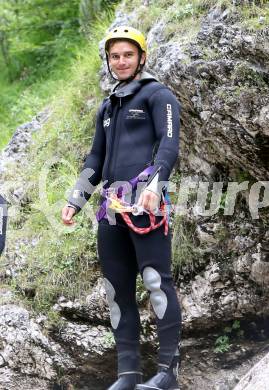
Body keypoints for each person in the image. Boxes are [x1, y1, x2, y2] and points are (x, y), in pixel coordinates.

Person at [62, 26, 182, 390]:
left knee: (155, 282)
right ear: (109, 61)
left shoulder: (158, 95)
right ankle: (128, 375)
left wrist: (154, 184)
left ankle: (167, 374)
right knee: (116, 290)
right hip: (111, 208)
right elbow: (95, 158)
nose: (121, 61)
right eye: (115, 56)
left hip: (146, 202)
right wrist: (75, 199)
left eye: (128, 54)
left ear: (141, 57)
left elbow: (169, 144)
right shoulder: (108, 105)